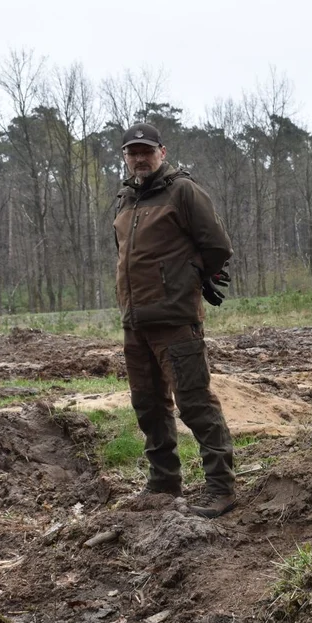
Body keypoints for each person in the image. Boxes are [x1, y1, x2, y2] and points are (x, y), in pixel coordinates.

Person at [114, 122, 237, 518]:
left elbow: (217, 245)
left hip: (175, 320)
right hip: (136, 323)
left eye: (146, 151)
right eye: (132, 152)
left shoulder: (182, 191)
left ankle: (221, 488)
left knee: (195, 403)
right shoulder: (125, 200)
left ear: (162, 153)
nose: (139, 158)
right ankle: (163, 484)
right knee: (149, 406)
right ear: (125, 157)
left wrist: (192, 275)